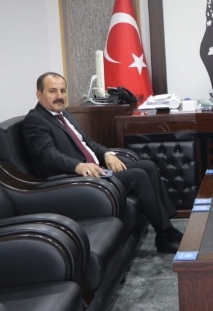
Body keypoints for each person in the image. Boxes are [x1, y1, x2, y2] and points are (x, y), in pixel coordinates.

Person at [22, 72, 182, 254]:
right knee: (137, 176)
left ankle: (167, 228)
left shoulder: (63, 114)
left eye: (62, 91)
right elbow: (48, 155)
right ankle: (165, 233)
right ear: (39, 94)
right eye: (52, 91)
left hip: (96, 169)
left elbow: (87, 142)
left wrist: (107, 154)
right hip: (76, 179)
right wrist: (78, 166)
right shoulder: (35, 120)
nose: (59, 96)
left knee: (148, 166)